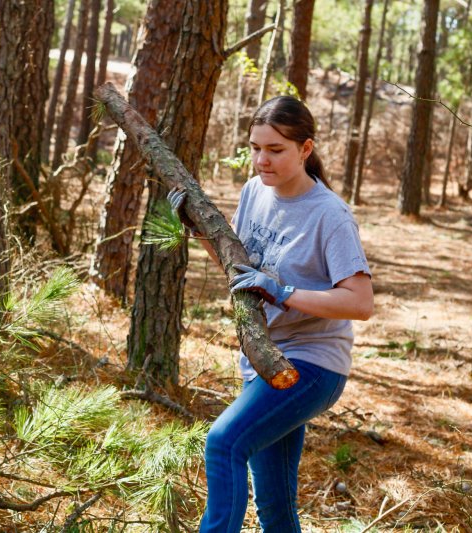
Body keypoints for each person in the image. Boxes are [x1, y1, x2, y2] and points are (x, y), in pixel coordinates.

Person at [168, 95, 373, 532]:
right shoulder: (254, 191)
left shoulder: (330, 217)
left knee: (224, 443)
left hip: (312, 365)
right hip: (263, 362)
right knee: (276, 507)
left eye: (276, 150)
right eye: (256, 147)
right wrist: (195, 225)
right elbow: (240, 268)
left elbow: (360, 302)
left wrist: (285, 292)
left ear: (305, 149)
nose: (262, 160)